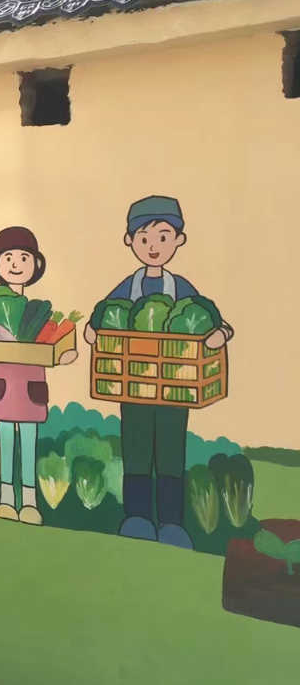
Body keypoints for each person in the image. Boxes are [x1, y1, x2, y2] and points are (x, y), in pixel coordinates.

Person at [85, 195, 233, 548]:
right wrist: (92, 330)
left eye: (163, 237)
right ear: (130, 241)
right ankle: (136, 517)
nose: (154, 246)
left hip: (175, 386)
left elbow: (215, 320)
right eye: (144, 238)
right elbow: (102, 315)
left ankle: (171, 523)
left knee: (170, 454)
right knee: (136, 452)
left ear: (179, 240)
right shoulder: (128, 286)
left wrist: (220, 334)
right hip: (131, 385)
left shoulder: (181, 287)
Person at [0, 226, 77, 525]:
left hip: (32, 390)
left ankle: (29, 502)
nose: (16, 264)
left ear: (36, 265)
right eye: (8, 258)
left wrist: (64, 354)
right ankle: (6, 500)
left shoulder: (38, 312)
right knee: (7, 444)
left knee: (28, 445)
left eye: (24, 258)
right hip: (3, 389)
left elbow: (53, 343)